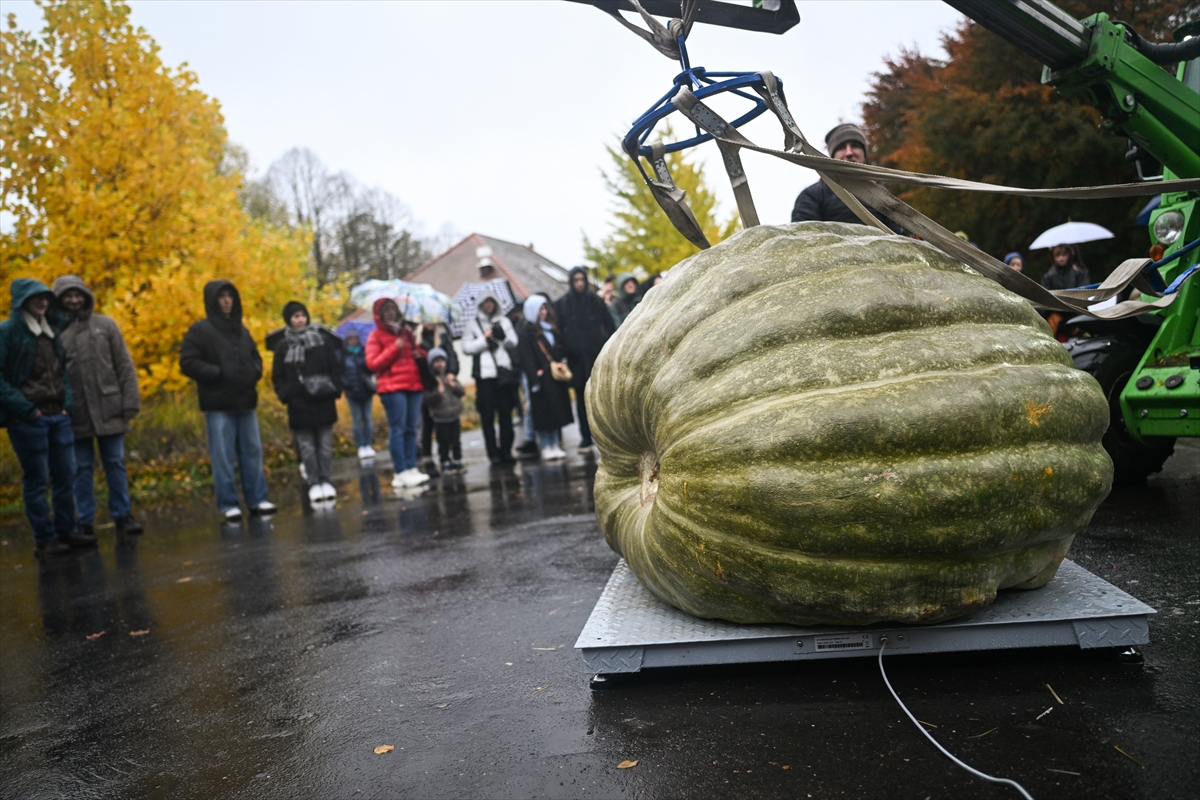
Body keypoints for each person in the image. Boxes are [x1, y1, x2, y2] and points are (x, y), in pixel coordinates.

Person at [1, 278, 92, 555]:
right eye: (36, 298)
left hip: (58, 416)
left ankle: (67, 530)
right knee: (37, 480)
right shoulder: (7, 332)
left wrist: (66, 404)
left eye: (46, 298)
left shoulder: (50, 330)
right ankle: (45, 538)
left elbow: (60, 371)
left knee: (66, 476)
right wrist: (28, 410)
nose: (43, 302)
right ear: (23, 301)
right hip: (29, 420)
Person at [53, 275, 143, 538]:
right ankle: (85, 521)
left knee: (115, 462)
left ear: (86, 296)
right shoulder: (56, 333)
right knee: (80, 468)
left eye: (78, 294)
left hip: (110, 407)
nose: (74, 300)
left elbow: (124, 365)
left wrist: (130, 401)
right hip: (75, 413)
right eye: (68, 296)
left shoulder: (105, 325)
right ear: (59, 299)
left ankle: (123, 515)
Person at [180, 280, 276, 522]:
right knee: (222, 456)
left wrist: (253, 373)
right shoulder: (199, 330)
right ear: (212, 300)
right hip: (218, 404)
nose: (226, 300)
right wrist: (218, 374)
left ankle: (257, 499)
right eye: (221, 296)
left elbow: (256, 357)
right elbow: (188, 362)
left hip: (245, 401)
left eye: (229, 296)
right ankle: (228, 504)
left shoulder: (241, 330)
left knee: (252, 452)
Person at [272, 301, 343, 505]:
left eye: (302, 315)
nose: (300, 319)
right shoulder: (283, 346)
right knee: (307, 447)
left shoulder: (321, 341)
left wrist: (335, 388)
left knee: (325, 445)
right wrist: (287, 394)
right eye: (295, 316)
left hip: (323, 399)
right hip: (299, 403)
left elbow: (335, 367)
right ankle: (313, 482)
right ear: (289, 320)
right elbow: (277, 376)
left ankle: (326, 480)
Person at [790, 123, 902, 233]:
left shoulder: (883, 196)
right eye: (841, 147)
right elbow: (802, 237)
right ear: (832, 156)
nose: (849, 153)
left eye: (855, 146)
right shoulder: (812, 195)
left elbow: (899, 239)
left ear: (864, 154)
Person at [366, 298, 430, 489]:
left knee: (411, 429)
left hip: (413, 385)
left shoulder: (407, 332)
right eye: (386, 311)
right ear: (380, 314)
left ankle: (412, 467)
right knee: (398, 429)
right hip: (392, 388)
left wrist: (420, 354)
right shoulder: (375, 336)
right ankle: (400, 471)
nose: (391, 313)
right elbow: (373, 363)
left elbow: (416, 353)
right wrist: (395, 348)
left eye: (393, 310)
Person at [554, 267, 615, 449]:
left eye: (582, 279)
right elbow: (559, 330)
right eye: (576, 280)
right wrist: (566, 348)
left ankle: (605, 435)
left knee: (600, 397)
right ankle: (585, 436)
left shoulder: (595, 301)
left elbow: (609, 325)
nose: (580, 283)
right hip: (576, 359)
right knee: (581, 399)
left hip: (595, 355)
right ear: (571, 282)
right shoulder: (563, 304)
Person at [462, 292, 519, 465]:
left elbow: (514, 342)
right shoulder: (473, 324)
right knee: (487, 416)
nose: (489, 305)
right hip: (485, 376)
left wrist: (502, 336)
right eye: (485, 302)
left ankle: (506, 451)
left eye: (491, 302)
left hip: (503, 374)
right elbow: (467, 348)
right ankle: (492, 453)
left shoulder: (504, 321)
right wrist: (484, 340)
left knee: (506, 415)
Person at [516, 295, 574, 460]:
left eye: (544, 309)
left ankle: (555, 443)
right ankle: (546, 445)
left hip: (553, 378)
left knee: (555, 411)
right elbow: (526, 358)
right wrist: (534, 378)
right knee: (543, 414)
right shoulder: (527, 332)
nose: (543, 312)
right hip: (541, 379)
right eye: (540, 309)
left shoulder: (549, 328)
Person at [417, 321, 458, 470]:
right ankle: (427, 457)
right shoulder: (418, 342)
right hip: (427, 385)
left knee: (445, 426)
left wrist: (451, 372)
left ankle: (448, 457)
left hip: (443, 382)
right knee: (427, 423)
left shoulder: (442, 338)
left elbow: (452, 356)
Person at [422, 347, 465, 474]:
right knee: (443, 441)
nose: (440, 364)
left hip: (454, 414)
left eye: (442, 360)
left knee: (456, 440)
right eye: (436, 361)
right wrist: (438, 392)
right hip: (440, 417)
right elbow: (427, 400)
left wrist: (453, 385)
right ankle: (445, 461)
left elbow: (461, 392)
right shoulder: (431, 381)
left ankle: (457, 460)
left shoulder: (450, 377)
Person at [341, 331, 377, 461]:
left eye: (355, 338)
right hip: (352, 391)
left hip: (366, 389)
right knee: (356, 418)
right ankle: (361, 445)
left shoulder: (365, 352)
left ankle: (368, 444)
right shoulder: (342, 355)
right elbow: (340, 372)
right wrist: (347, 385)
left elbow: (371, 368)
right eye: (350, 338)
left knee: (367, 417)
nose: (353, 340)